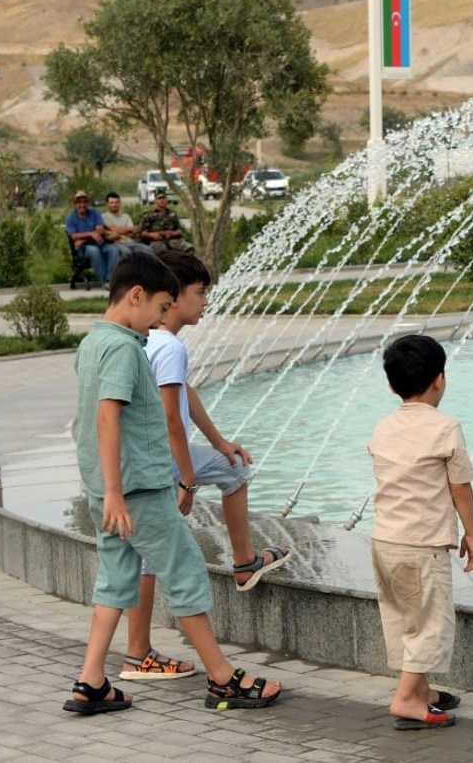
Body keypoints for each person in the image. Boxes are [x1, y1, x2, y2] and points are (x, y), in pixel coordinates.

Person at [64, 251, 282, 715]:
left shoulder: (94, 342)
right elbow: (107, 416)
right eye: (161, 308)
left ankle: (91, 681)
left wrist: (107, 491)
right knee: (185, 574)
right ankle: (224, 680)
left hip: (108, 492)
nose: (161, 321)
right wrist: (121, 491)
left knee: (115, 580)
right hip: (137, 492)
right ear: (137, 296)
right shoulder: (124, 348)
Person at [119, 248, 290, 681]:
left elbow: (184, 395)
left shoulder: (143, 340)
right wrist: (189, 480)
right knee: (234, 473)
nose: (206, 302)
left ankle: (137, 653)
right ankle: (244, 560)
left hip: (136, 459)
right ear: (172, 297)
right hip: (163, 459)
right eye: (200, 293)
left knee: (146, 557)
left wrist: (218, 441)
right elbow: (172, 417)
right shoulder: (170, 346)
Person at [367, 334, 473, 731]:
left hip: (384, 540)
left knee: (400, 616)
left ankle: (422, 691)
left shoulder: (383, 427)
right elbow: (460, 486)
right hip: (422, 543)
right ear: (439, 380)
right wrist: (471, 534)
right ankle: (405, 701)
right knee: (430, 622)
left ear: (390, 384)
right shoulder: (446, 428)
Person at [65, 191, 120, 288]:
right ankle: (104, 282)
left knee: (114, 249)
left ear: (87, 203)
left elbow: (100, 229)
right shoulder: (70, 218)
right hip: (82, 248)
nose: (82, 205)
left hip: (98, 243)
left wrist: (83, 238)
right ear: (75, 204)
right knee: (94, 251)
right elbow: (73, 236)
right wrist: (91, 234)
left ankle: (109, 280)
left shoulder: (95, 213)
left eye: (84, 202)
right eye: (79, 202)